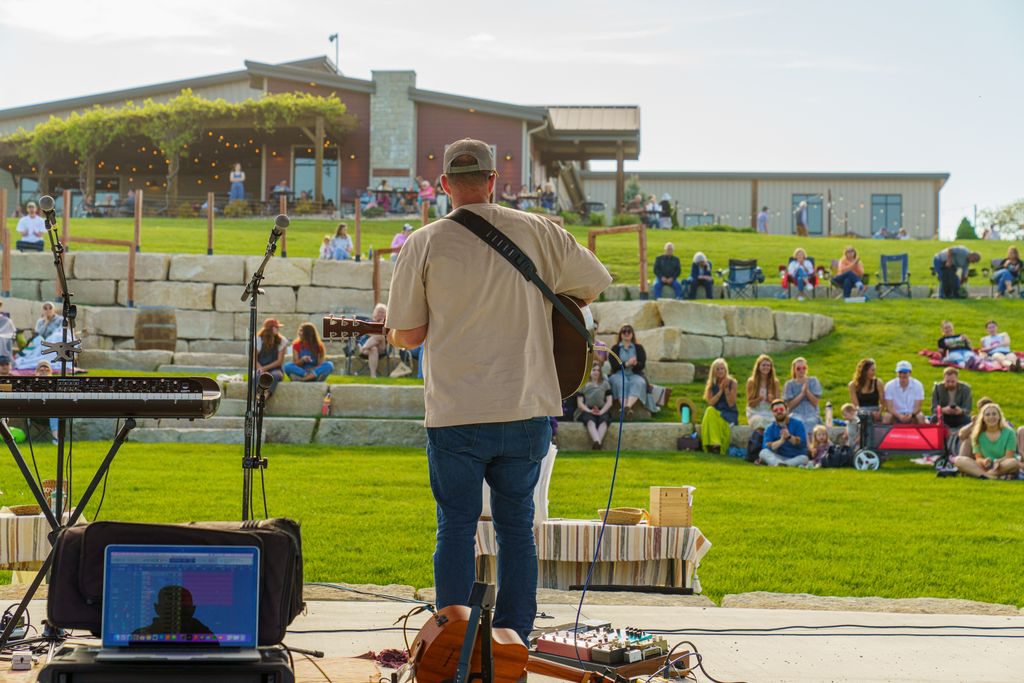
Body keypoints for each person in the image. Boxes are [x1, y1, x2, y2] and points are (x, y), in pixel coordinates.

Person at [383, 138, 611, 646]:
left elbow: (410, 335)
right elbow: (593, 283)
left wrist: (394, 333)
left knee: (456, 527)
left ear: (445, 185)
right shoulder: (540, 230)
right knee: (516, 528)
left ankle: (453, 643)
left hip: (457, 409)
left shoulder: (423, 242)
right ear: (492, 180)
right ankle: (513, 639)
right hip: (525, 403)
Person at [953, 403, 1020, 479]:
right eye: (987, 415)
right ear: (983, 418)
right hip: (985, 466)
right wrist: (984, 461)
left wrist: (998, 461)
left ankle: (981, 474)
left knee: (1013, 462)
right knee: (958, 460)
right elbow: (978, 458)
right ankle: (992, 477)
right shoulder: (977, 435)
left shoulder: (1009, 433)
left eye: (994, 414)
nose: (991, 417)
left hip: (1002, 465)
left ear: (999, 417)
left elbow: (1009, 456)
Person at [608, 325, 660, 417]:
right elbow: (614, 365)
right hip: (619, 374)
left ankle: (628, 407)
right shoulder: (615, 348)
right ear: (620, 334)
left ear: (632, 334)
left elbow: (642, 364)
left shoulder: (639, 348)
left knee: (639, 382)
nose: (626, 333)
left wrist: (636, 364)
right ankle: (624, 407)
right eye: (624, 331)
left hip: (635, 374)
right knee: (621, 383)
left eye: (629, 331)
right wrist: (626, 364)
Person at [700, 358, 738, 454]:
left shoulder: (732, 382)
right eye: (718, 369)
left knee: (710, 416)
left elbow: (731, 404)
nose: (720, 371)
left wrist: (726, 390)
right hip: (716, 413)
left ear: (725, 370)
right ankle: (715, 444)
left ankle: (713, 444)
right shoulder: (711, 384)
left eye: (722, 369)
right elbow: (710, 403)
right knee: (709, 410)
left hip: (728, 413)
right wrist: (720, 391)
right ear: (713, 371)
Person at [759, 399, 809, 466]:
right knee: (763, 452)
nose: (779, 411)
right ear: (772, 413)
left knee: (804, 458)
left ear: (787, 410)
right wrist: (781, 441)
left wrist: (789, 437)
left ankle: (783, 464)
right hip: (778, 457)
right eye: (775, 410)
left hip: (795, 457)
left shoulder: (798, 424)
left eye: (781, 409)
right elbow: (766, 446)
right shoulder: (770, 428)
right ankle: (779, 463)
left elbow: (803, 444)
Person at [576, 364, 612, 449]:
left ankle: (597, 444)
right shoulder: (583, 384)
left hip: (602, 409)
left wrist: (601, 412)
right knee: (590, 422)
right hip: (587, 409)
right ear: (589, 371)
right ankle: (597, 442)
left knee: (604, 422)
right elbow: (580, 403)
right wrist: (589, 411)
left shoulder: (605, 384)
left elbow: (609, 402)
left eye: (598, 370)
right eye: (594, 370)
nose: (596, 372)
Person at [783, 357, 822, 429]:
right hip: (795, 412)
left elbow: (816, 402)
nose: (801, 370)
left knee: (811, 421)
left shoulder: (813, 381)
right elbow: (789, 406)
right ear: (794, 370)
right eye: (798, 368)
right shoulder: (789, 384)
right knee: (798, 421)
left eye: (804, 368)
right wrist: (802, 394)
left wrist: (807, 391)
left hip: (811, 412)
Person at [254, 318, 288, 396]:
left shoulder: (282, 341)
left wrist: (265, 368)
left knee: (274, 376)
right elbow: (254, 359)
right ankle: (258, 395)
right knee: (256, 377)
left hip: (276, 369)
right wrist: (260, 369)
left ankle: (265, 396)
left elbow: (279, 361)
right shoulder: (258, 340)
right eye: (276, 327)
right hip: (260, 367)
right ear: (270, 328)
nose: (278, 329)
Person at [745, 354, 781, 422]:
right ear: (758, 367)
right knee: (759, 421)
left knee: (773, 422)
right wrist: (759, 399)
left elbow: (778, 403)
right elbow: (750, 403)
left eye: (768, 365)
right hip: (755, 411)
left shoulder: (775, 382)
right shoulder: (751, 381)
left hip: (770, 411)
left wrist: (772, 400)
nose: (766, 367)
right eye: (763, 365)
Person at [360, 303, 389, 378]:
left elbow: (385, 335)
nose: (381, 314)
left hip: (381, 347)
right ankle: (373, 375)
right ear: (375, 312)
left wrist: (382, 323)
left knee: (380, 336)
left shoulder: (387, 324)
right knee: (373, 349)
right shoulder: (368, 322)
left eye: (383, 312)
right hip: (370, 349)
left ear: (386, 314)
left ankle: (363, 348)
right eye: (379, 312)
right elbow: (365, 332)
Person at [34, 360, 59, 443]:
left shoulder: (55, 382)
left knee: (55, 411)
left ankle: (55, 438)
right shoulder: (33, 381)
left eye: (46, 367)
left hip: (51, 410)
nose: (44, 369)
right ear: (37, 370)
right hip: (35, 412)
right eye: (41, 367)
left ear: (50, 370)